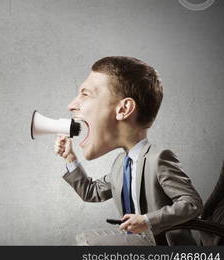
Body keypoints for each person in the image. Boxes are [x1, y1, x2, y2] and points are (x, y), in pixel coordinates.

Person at [54, 56, 202, 245]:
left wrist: (147, 221)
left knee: (90, 245)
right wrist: (70, 157)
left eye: (85, 94)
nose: (71, 105)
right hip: (138, 238)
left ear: (124, 109)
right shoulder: (120, 165)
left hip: (161, 242)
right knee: (83, 239)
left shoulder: (159, 158)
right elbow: (92, 192)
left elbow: (192, 203)